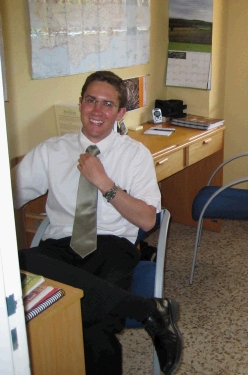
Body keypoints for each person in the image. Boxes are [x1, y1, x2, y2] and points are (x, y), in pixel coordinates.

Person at [12, 71, 182, 375]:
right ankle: (149, 311)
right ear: (80, 104)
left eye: (107, 104)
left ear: (120, 113)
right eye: (91, 101)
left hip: (112, 247)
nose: (96, 111)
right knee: (20, 262)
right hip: (60, 248)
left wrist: (104, 183)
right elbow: (9, 195)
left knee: (92, 324)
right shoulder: (51, 150)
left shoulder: (135, 155)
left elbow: (146, 219)